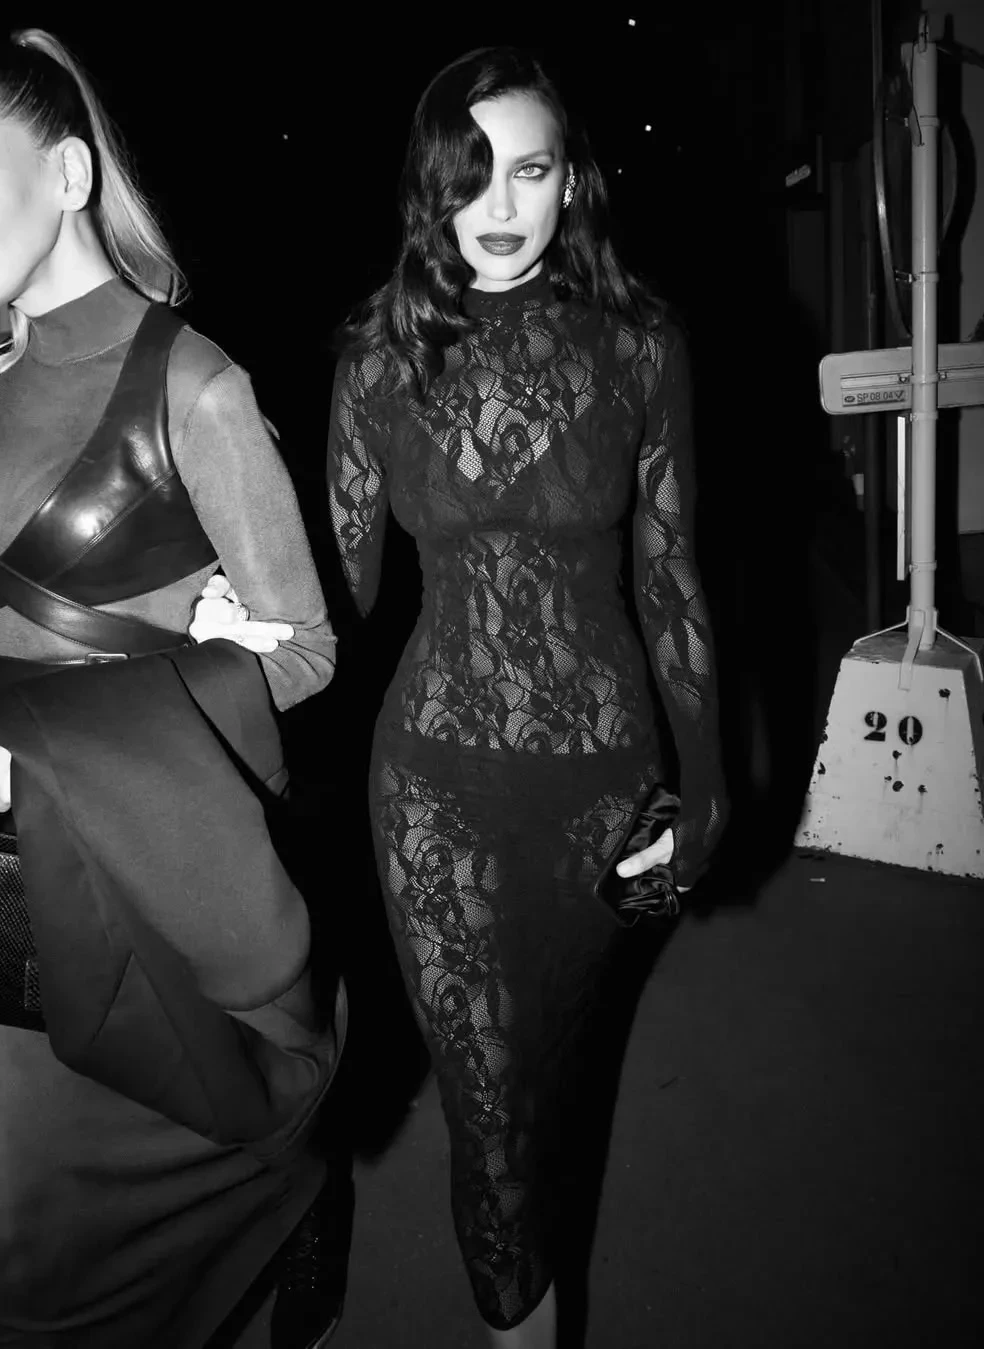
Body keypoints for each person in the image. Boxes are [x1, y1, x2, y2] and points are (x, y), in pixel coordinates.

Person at [0, 29, 348, 1349]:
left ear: (65, 175)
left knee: (66, 1252)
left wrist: (103, 725)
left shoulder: (196, 382)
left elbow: (306, 652)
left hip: (131, 853)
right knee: (8, 1232)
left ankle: (295, 1194)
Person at [325, 46, 728, 1348]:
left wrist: (708, 789)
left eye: (531, 169)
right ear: (426, 190)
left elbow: (671, 578)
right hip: (431, 784)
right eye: (468, 174)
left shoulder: (642, 344)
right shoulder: (377, 357)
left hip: (609, 785)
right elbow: (335, 601)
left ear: (574, 182)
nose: (498, 205)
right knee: (490, 1120)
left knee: (559, 1081)